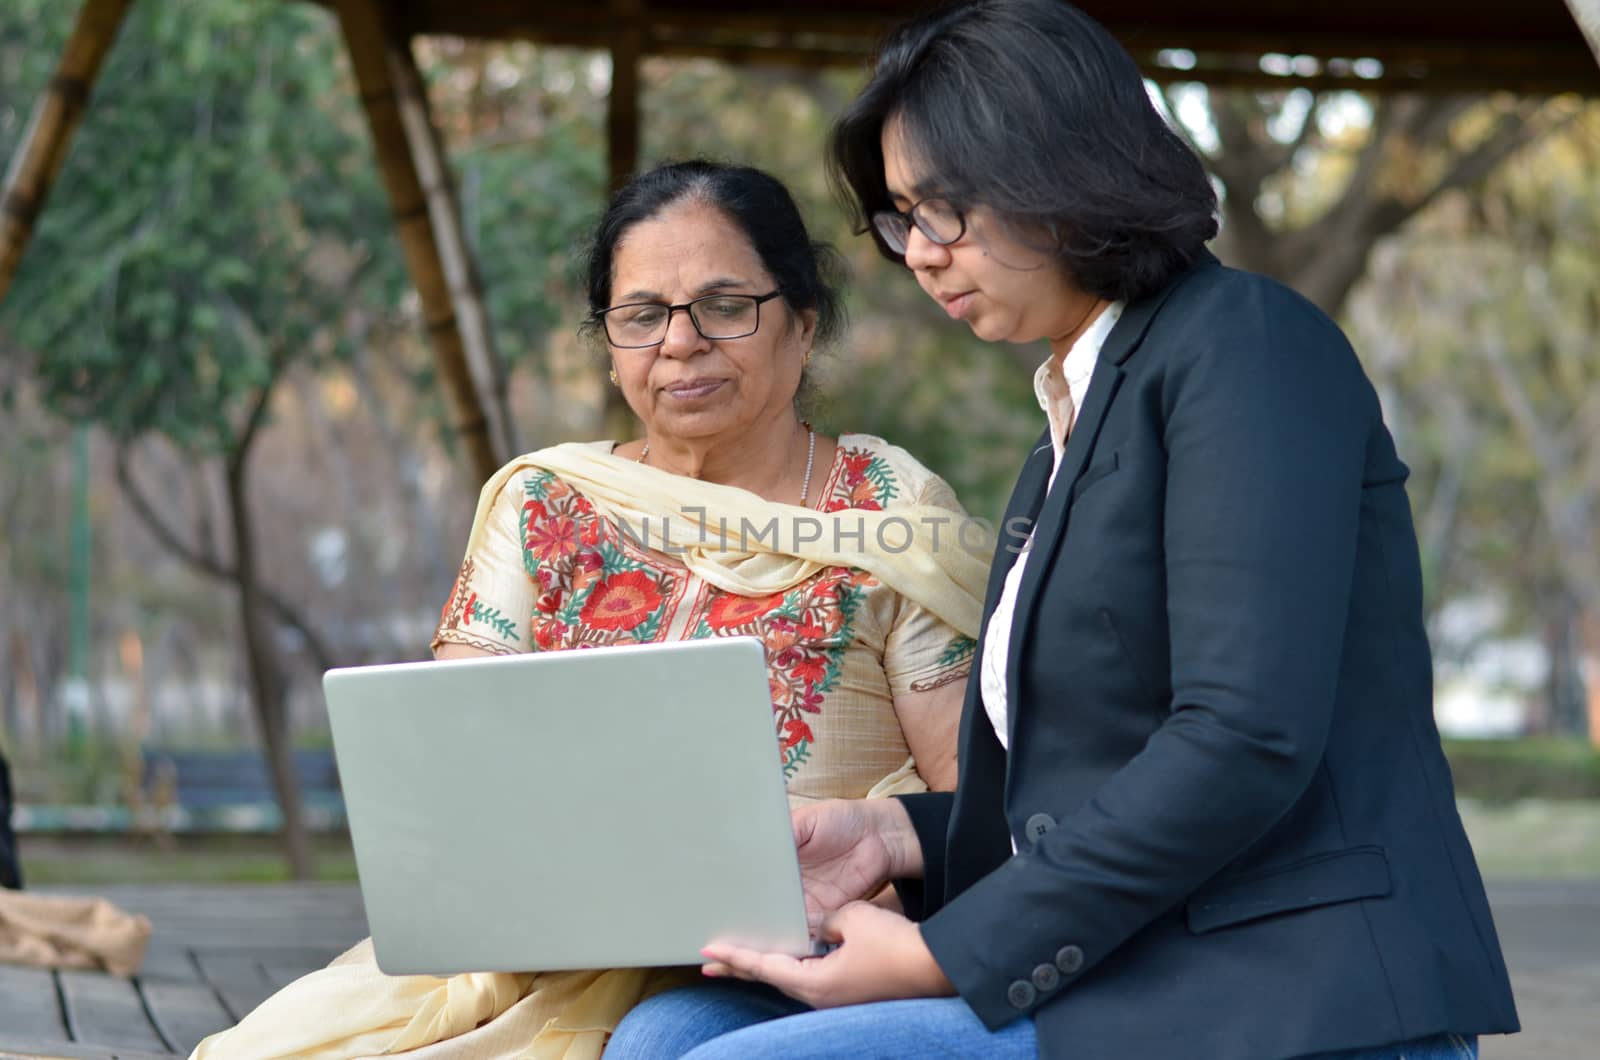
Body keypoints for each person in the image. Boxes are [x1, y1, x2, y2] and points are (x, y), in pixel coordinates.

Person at [605, 3, 1521, 1059]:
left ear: (1060, 167)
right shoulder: (1072, 415)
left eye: (944, 209)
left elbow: (1242, 737)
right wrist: (891, 831)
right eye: (903, 219)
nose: (923, 256)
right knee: (665, 1028)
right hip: (1137, 966)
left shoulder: (1248, 347)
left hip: (1279, 989)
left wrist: (946, 957)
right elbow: (1078, 790)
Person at [190, 160, 989, 1060]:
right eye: (642, 316)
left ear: (802, 324)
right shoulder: (543, 503)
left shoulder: (891, 516)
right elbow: (453, 772)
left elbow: (974, 802)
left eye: (725, 307)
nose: (680, 344)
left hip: (804, 967)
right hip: (534, 957)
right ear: (610, 348)